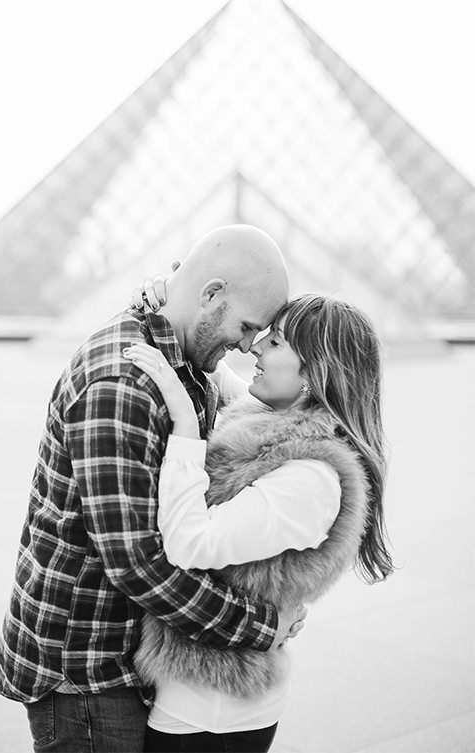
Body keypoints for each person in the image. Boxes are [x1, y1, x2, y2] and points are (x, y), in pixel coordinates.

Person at [0, 225, 308, 752]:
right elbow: (138, 563)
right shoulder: (121, 385)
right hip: (86, 673)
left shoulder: (182, 359)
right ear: (210, 294)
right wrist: (261, 626)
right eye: (248, 326)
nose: (248, 345)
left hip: (113, 657)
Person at [123, 292, 394, 753]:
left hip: (211, 710)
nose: (255, 348)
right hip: (200, 692)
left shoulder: (311, 480)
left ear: (315, 373)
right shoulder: (275, 418)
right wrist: (167, 297)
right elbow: (217, 365)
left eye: (277, 342)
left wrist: (185, 426)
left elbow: (190, 542)